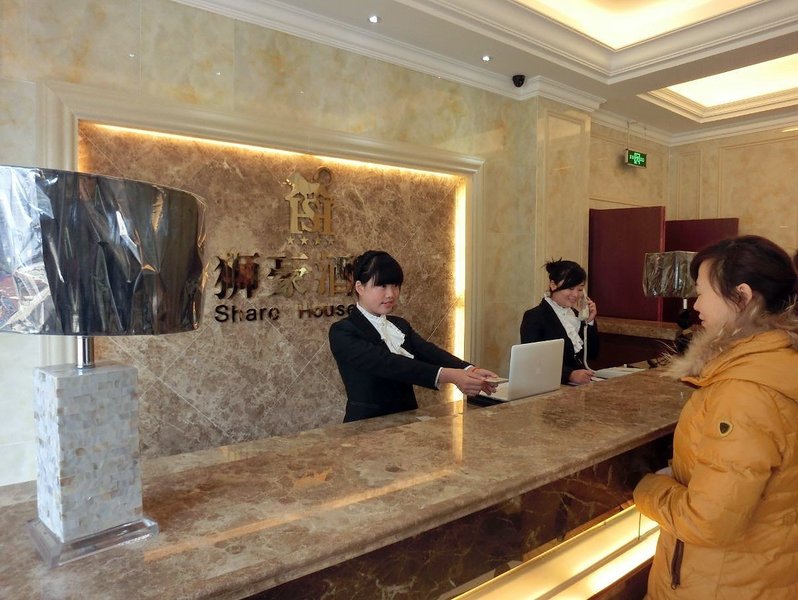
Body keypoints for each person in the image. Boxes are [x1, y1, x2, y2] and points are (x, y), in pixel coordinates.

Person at [633, 235, 798, 599]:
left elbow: (708, 522)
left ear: (741, 296)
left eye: (702, 292)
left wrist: (648, 488)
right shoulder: (778, 363)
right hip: (762, 574)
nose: (695, 305)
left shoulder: (746, 392)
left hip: (719, 583)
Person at [329, 250, 498, 422]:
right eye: (382, 286)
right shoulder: (342, 332)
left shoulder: (399, 325)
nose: (391, 294)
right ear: (360, 288)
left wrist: (470, 370)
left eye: (395, 285)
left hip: (407, 420)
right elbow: (390, 364)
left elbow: (430, 353)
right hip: (366, 425)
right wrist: (452, 376)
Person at [519, 259, 599, 385]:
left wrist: (589, 322)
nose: (575, 295)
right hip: (550, 386)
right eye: (570, 288)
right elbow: (533, 361)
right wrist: (569, 375)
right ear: (553, 285)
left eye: (579, 289)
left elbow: (593, 354)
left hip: (579, 386)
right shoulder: (535, 316)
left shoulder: (576, 315)